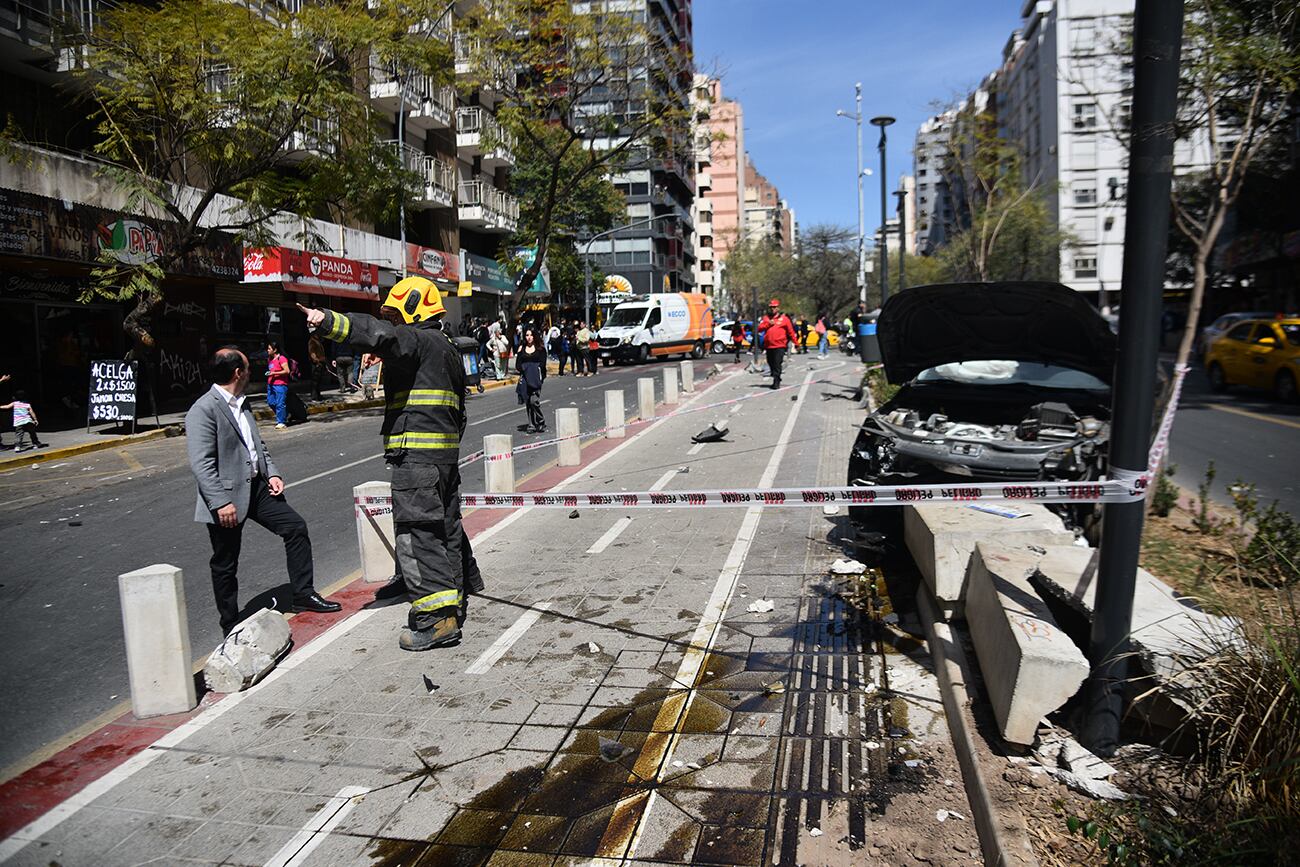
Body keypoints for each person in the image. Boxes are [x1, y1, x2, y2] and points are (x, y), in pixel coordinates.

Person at [298, 277, 482, 652]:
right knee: (445, 530)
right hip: (442, 461)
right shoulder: (445, 348)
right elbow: (458, 413)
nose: (394, 322)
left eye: (397, 314)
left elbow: (382, 335)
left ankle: (436, 621)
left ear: (414, 309)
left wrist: (327, 320)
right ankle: (454, 601)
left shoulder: (418, 339)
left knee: (418, 536)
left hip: (416, 460)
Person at [186, 348, 341, 635]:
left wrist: (273, 473)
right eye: (246, 367)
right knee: (225, 562)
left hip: (257, 488)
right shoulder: (203, 410)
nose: (250, 372)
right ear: (237, 373)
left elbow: (257, 446)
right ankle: (230, 625)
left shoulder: (242, 404)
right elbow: (201, 463)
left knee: (295, 527)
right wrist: (220, 502)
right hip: (227, 498)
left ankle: (302, 594)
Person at [757, 298, 798, 389]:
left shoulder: (784, 319)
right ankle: (776, 376)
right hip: (769, 345)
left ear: (778, 308)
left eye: (774, 307)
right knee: (771, 362)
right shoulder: (766, 318)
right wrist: (768, 324)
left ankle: (776, 381)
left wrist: (796, 343)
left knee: (777, 363)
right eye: (771, 307)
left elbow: (791, 332)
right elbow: (759, 328)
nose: (773, 309)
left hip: (780, 345)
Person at [516, 327, 547, 432]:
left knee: (534, 401)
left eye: (531, 335)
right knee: (528, 402)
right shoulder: (522, 349)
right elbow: (518, 365)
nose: (529, 337)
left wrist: (534, 369)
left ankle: (540, 420)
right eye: (527, 335)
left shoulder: (540, 349)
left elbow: (543, 364)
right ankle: (531, 424)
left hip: (536, 378)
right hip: (525, 378)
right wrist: (525, 367)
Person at [265, 341, 291, 429]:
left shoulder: (282, 358)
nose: (267, 350)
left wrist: (274, 373)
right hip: (271, 384)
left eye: (269, 349)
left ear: (275, 350)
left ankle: (281, 422)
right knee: (271, 402)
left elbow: (287, 371)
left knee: (280, 403)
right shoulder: (270, 359)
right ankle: (285, 414)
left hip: (280, 384)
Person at [307, 334, 333, 400]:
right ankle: (314, 396)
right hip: (316, 364)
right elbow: (312, 352)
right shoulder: (312, 341)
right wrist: (316, 361)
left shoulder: (317, 342)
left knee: (318, 381)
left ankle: (318, 395)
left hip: (320, 362)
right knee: (315, 381)